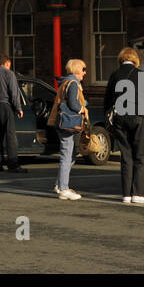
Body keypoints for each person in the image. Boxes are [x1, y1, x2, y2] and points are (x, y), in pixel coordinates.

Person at [104, 46, 144, 204]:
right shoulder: (141, 75)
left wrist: (108, 120)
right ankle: (139, 193)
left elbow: (107, 100)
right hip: (137, 118)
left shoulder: (114, 75)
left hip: (120, 119)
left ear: (121, 59)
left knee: (126, 156)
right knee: (140, 156)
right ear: (135, 59)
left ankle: (126, 194)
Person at [0, 54, 26, 173]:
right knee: (10, 135)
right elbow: (14, 92)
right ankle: (13, 164)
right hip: (4, 105)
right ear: (7, 63)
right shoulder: (9, 74)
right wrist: (18, 108)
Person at [54, 58, 88, 200]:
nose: (85, 73)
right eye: (83, 69)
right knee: (67, 155)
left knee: (70, 154)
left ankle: (59, 184)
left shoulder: (66, 81)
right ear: (77, 70)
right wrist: (83, 107)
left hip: (63, 123)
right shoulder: (73, 83)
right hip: (68, 124)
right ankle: (63, 188)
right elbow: (74, 104)